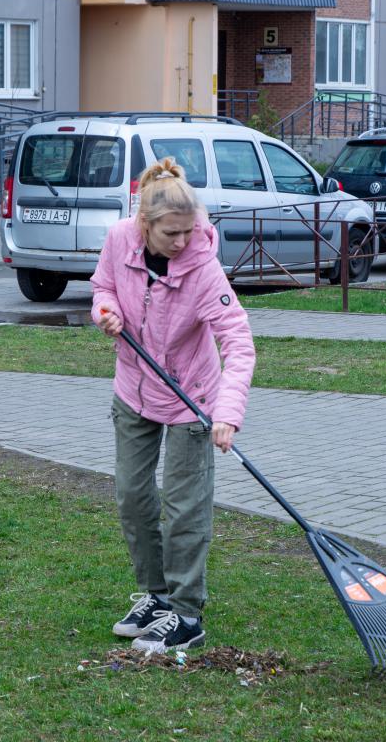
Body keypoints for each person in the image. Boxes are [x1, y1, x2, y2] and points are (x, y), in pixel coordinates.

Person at [91, 157, 256, 655]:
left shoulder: (203, 268)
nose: (182, 241)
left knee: (185, 507)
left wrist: (227, 413)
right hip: (134, 388)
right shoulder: (120, 239)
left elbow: (238, 340)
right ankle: (154, 595)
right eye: (171, 233)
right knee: (132, 495)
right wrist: (107, 311)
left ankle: (186, 613)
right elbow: (102, 286)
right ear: (144, 224)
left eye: (189, 231)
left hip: (193, 399)